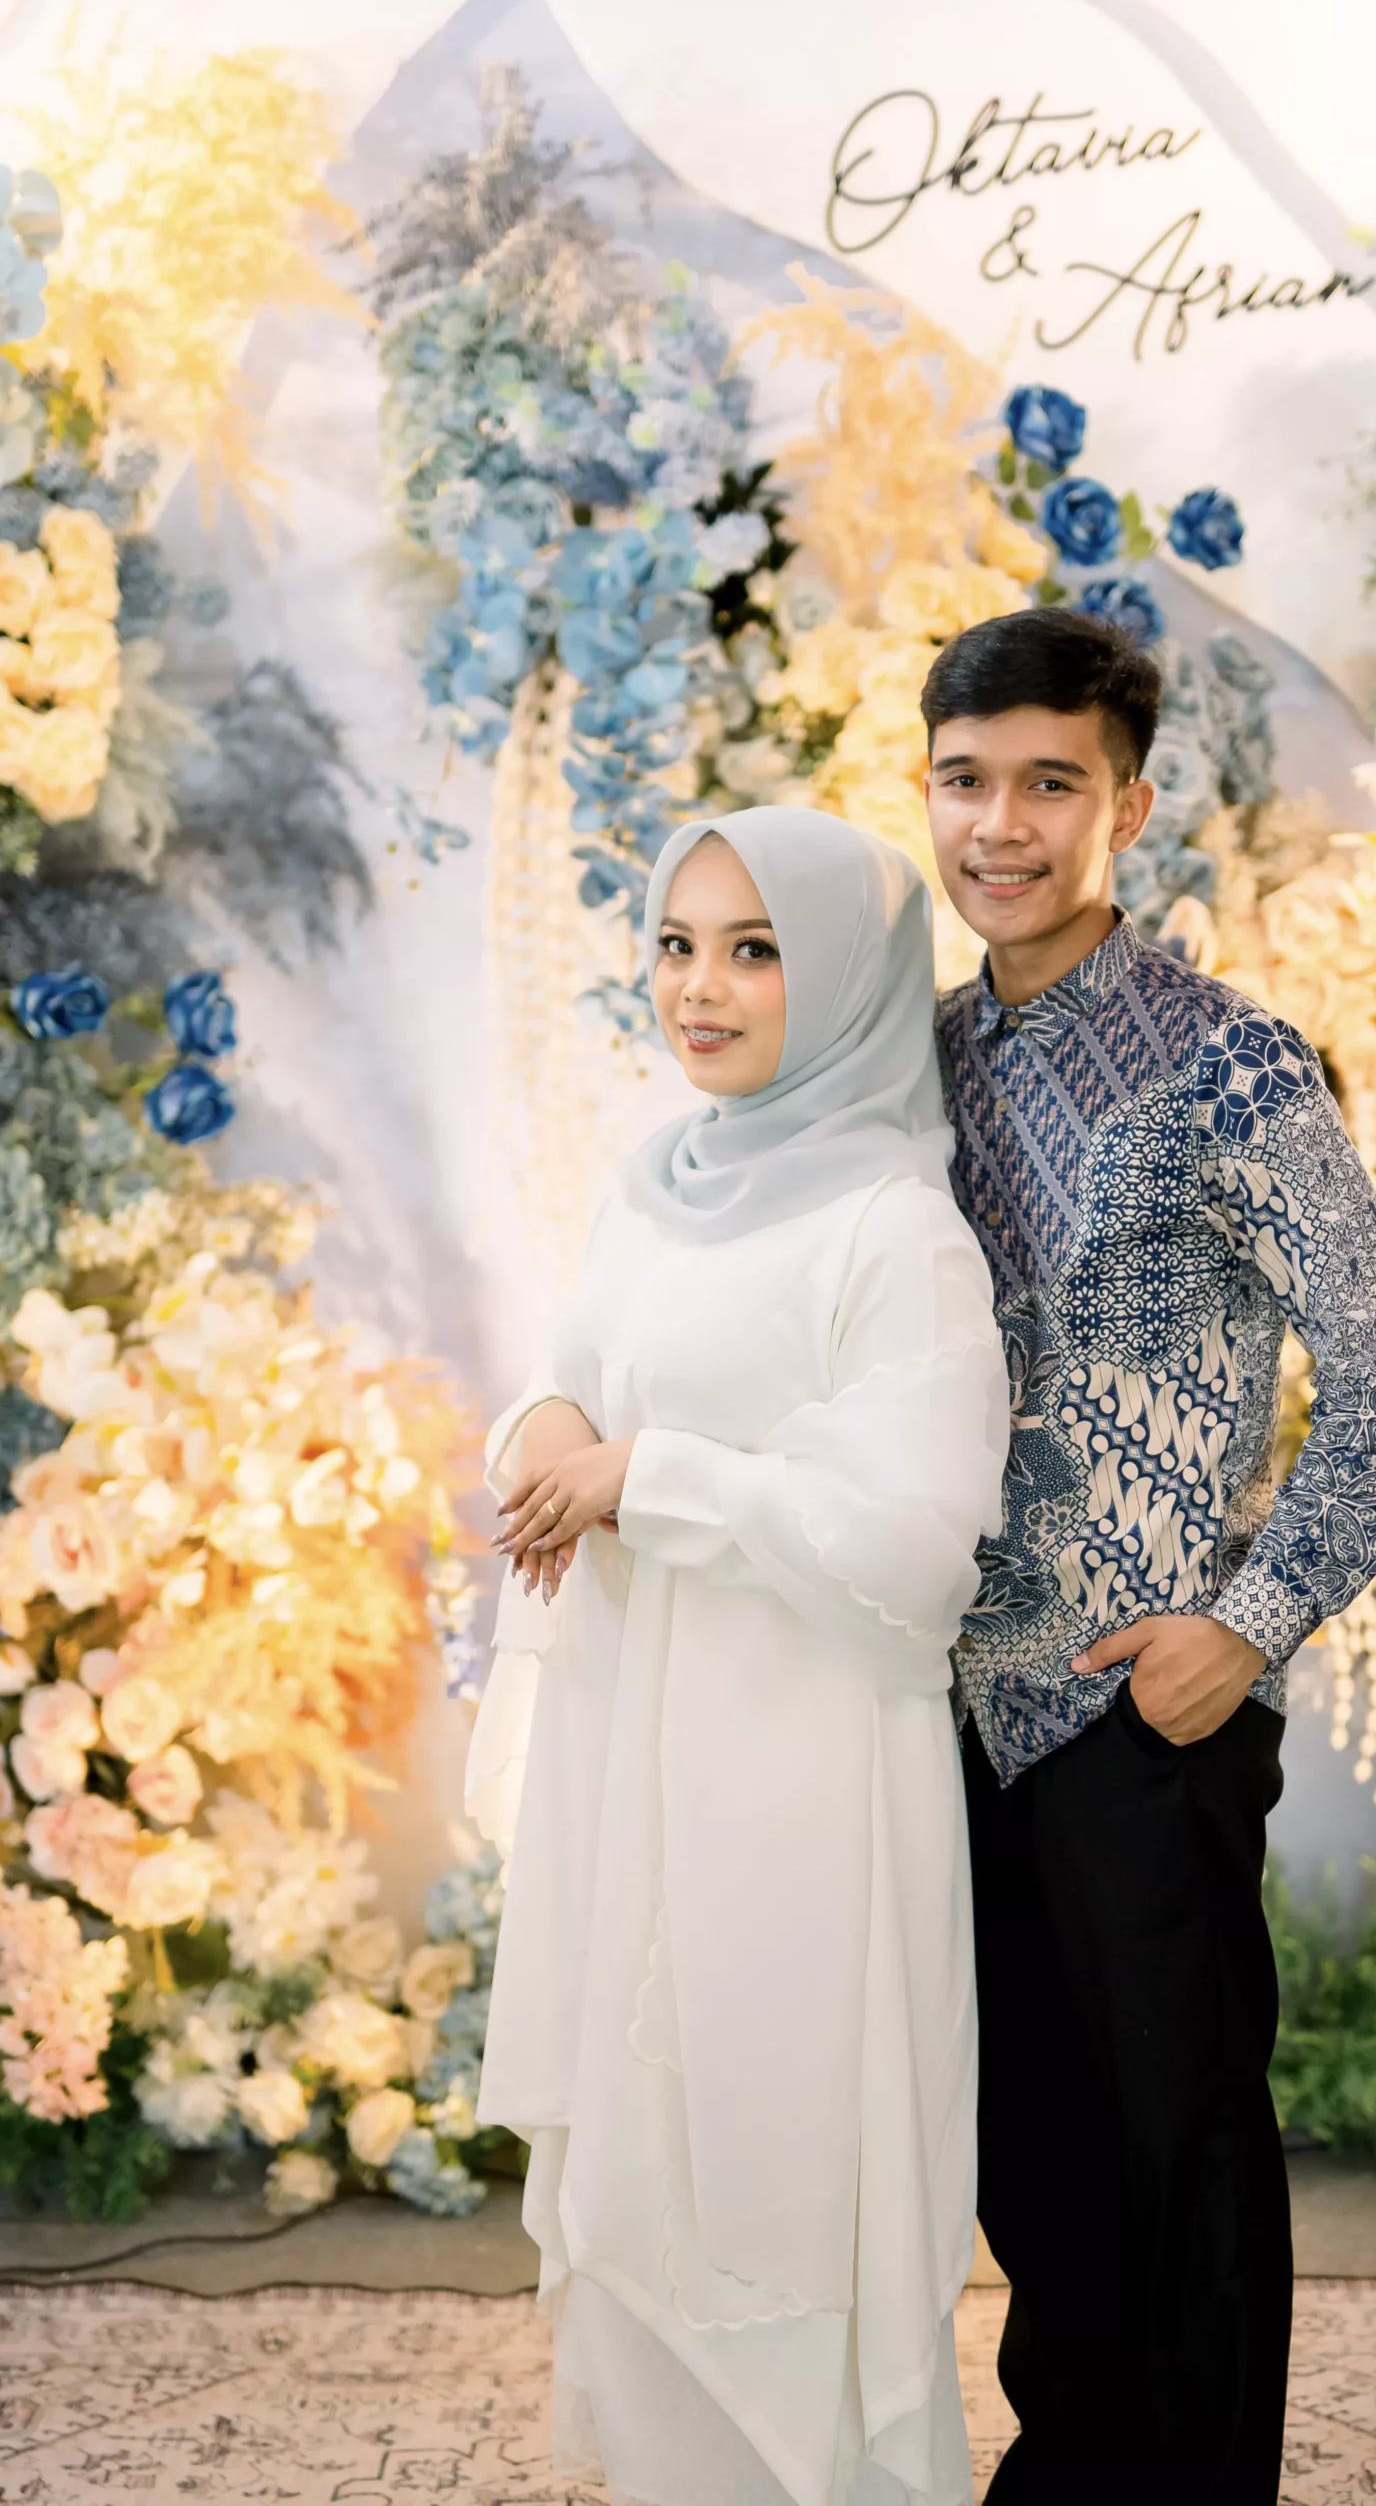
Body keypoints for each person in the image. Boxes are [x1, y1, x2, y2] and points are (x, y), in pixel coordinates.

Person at [921, 608, 1376, 2503]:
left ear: (1125, 808)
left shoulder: (1231, 1065)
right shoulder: (916, 1062)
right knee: (1029, 2166)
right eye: (965, 781)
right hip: (947, 1710)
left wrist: (1242, 1624)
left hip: (1142, 1718)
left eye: (1047, 783)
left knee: (1183, 2172)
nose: (1001, 824)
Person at [465, 806, 1009, 2506]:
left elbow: (913, 1542)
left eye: (754, 951)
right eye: (677, 944)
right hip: (637, 1741)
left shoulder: (894, 1231)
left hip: (798, 1773)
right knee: (648, 2161)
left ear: (844, 981)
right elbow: (573, 1376)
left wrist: (650, 1477)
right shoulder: (659, 1183)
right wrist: (545, 1426)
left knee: (777, 2153)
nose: (698, 988)